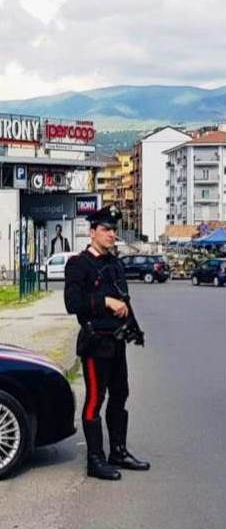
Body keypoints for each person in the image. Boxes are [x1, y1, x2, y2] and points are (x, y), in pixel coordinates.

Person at [64, 205, 150, 480]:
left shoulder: (114, 263)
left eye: (114, 230)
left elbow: (124, 299)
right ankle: (95, 460)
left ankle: (118, 451)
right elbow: (72, 303)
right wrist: (104, 301)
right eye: (106, 230)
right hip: (95, 343)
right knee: (94, 399)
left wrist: (134, 329)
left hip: (117, 343)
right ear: (92, 232)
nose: (112, 234)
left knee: (121, 394)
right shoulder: (79, 264)